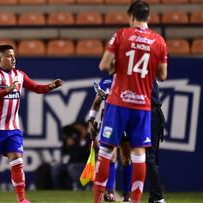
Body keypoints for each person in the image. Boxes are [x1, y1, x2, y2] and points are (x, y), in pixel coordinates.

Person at [0, 44, 63, 203]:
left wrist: (52, 86)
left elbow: (37, 88)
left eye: (13, 56)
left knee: (17, 160)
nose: (13, 59)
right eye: (9, 56)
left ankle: (22, 199)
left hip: (13, 128)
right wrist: (6, 91)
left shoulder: (19, 75)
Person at [93, 0, 167, 202]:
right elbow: (162, 75)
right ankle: (134, 201)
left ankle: (98, 200)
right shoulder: (159, 41)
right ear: (149, 17)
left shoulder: (121, 35)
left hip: (119, 103)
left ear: (130, 16)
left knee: (107, 151)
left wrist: (116, 66)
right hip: (143, 105)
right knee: (138, 154)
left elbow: (104, 65)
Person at [87, 74, 132, 202]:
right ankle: (110, 191)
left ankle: (126, 192)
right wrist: (90, 120)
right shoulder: (106, 81)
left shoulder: (131, 80)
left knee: (126, 157)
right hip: (109, 122)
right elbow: (96, 102)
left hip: (126, 122)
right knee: (109, 154)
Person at [51, 121, 91, 191]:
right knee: (56, 167)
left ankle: (81, 188)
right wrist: (70, 145)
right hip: (71, 163)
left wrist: (76, 146)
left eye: (80, 129)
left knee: (72, 168)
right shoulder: (73, 138)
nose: (78, 131)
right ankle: (58, 190)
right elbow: (64, 153)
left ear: (85, 129)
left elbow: (87, 154)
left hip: (85, 163)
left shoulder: (89, 139)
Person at [146, 80, 166, 203]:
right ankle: (154, 197)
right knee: (151, 158)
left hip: (150, 113)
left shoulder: (147, 70)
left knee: (149, 158)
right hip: (152, 114)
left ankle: (158, 197)